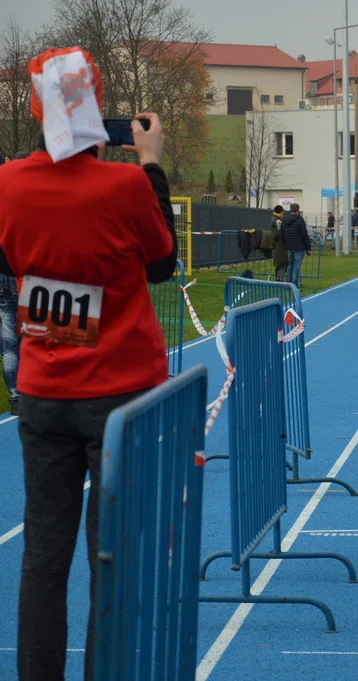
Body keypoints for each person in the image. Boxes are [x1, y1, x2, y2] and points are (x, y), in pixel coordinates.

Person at [0, 47, 177, 680]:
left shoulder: (6, 183)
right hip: (119, 396)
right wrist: (151, 165)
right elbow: (161, 265)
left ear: (34, 107)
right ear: (96, 107)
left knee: (43, 557)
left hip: (43, 393)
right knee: (114, 555)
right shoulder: (126, 184)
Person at [0, 153, 19, 416]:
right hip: (21, 272)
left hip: (3, 274)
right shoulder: (17, 194)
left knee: (10, 341)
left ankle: (16, 397)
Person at [281, 202, 311, 287]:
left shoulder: (284, 220)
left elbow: (282, 234)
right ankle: (294, 283)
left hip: (289, 246)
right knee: (296, 266)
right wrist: (308, 247)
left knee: (290, 264)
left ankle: (288, 282)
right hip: (299, 246)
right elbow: (304, 235)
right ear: (298, 210)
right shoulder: (300, 221)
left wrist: (285, 244)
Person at [270, 205, 288, 282]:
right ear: (281, 211)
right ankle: (280, 279)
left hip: (277, 243)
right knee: (282, 261)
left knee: (279, 261)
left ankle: (278, 278)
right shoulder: (278, 220)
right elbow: (280, 232)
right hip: (280, 243)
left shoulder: (274, 218)